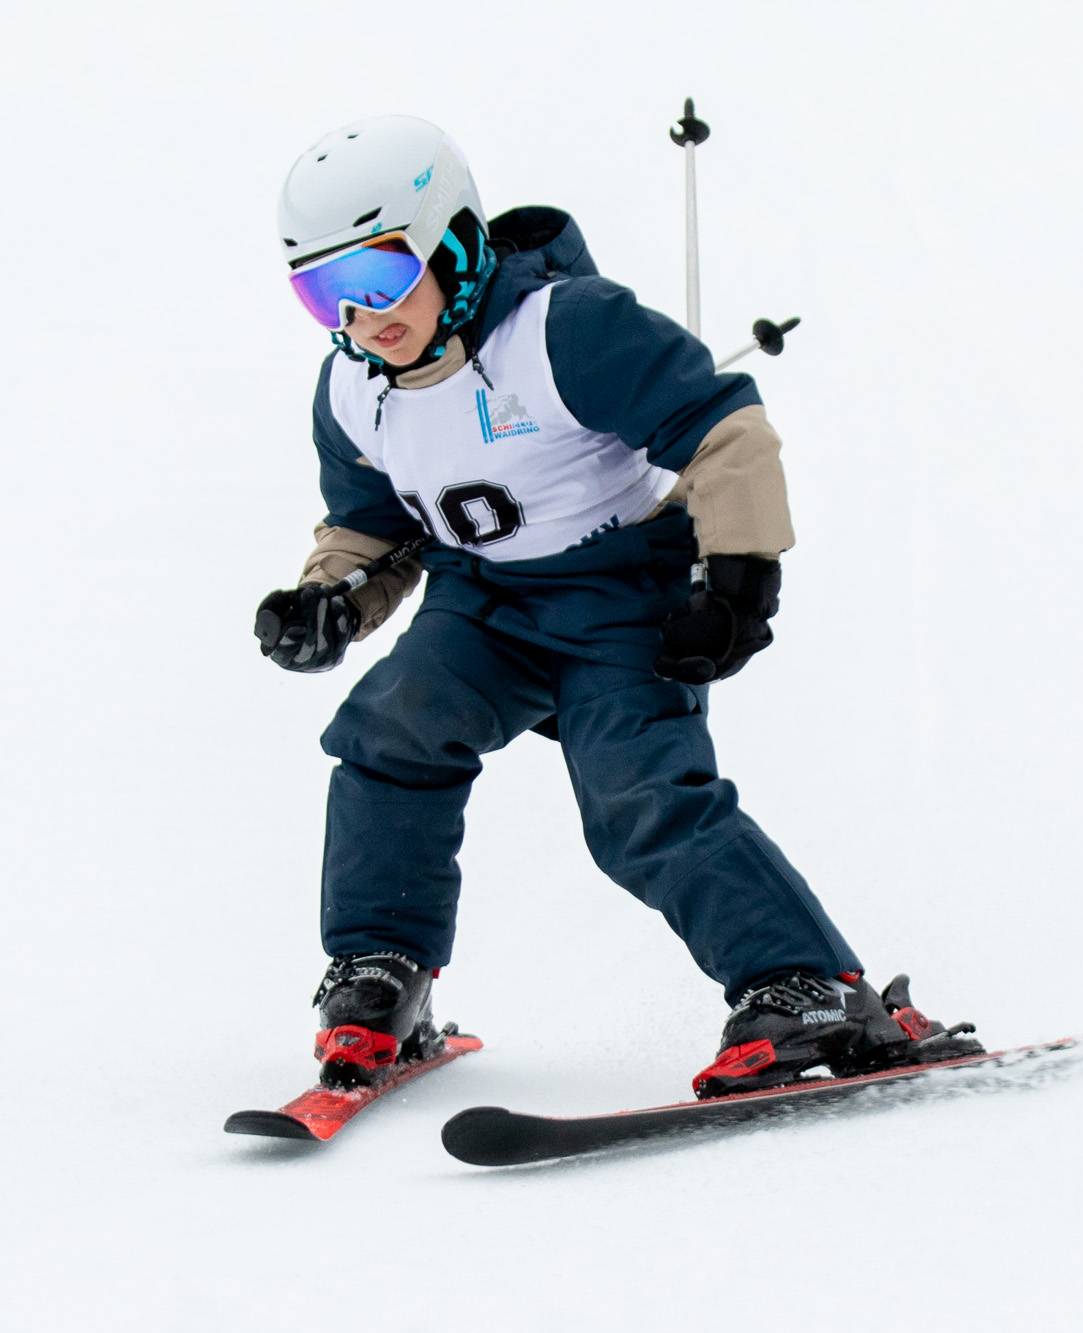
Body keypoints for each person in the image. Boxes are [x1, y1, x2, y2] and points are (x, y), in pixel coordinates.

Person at [257, 115, 978, 1098]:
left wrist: (736, 579)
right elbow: (372, 528)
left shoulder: (565, 329)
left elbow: (723, 428)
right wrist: (328, 599)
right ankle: (382, 969)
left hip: (622, 595)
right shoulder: (352, 390)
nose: (359, 315)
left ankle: (806, 985)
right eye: (322, 292)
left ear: (452, 241)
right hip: (483, 603)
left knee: (637, 797)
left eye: (378, 275)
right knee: (390, 733)